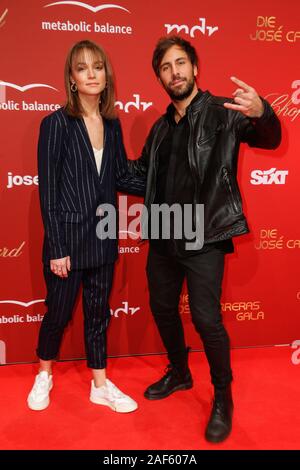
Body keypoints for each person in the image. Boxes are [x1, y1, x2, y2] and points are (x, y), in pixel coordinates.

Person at [129, 35, 281, 442]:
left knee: (206, 320)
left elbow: (270, 139)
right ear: (159, 76)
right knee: (161, 309)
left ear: (195, 68)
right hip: (163, 234)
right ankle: (179, 372)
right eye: (165, 66)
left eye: (180, 63)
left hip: (205, 235)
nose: (174, 72)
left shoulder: (222, 113)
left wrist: (263, 111)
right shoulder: (160, 129)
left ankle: (222, 396)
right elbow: (141, 175)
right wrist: (96, 161)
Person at [27, 40, 145, 413]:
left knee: (98, 314)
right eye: (83, 68)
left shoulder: (112, 124)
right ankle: (43, 374)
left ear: (107, 75)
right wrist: (57, 247)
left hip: (104, 237)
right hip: (68, 241)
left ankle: (99, 384)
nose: (92, 74)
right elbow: (49, 191)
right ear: (72, 78)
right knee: (58, 314)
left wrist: (170, 177)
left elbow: (122, 175)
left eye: (98, 67)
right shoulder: (56, 123)